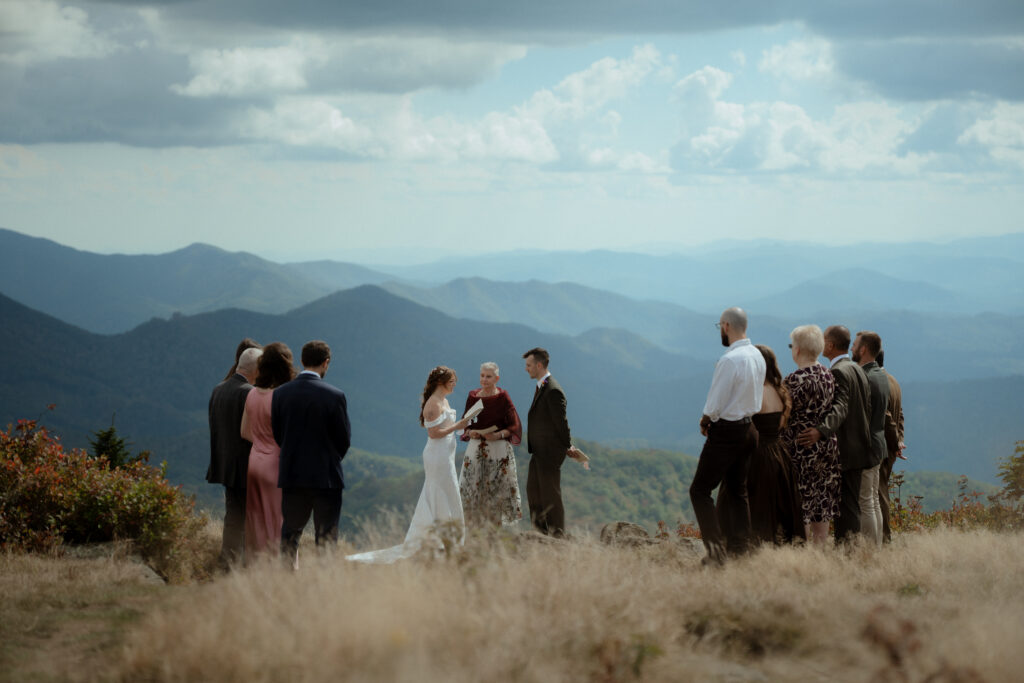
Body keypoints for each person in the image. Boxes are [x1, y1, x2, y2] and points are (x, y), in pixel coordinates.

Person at [348, 366, 473, 563]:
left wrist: (461, 428)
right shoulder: (432, 404)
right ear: (441, 382)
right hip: (437, 457)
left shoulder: (444, 400)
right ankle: (440, 539)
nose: (454, 384)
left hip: (446, 455)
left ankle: (446, 539)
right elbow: (433, 434)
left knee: (448, 491)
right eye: (451, 381)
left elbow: (445, 428)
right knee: (440, 491)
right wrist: (459, 425)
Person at [690, 308, 766, 565]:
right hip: (750, 429)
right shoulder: (757, 355)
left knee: (700, 491)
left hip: (727, 430)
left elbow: (715, 402)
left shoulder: (730, 360)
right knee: (738, 490)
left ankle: (716, 553)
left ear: (725, 326)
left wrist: (705, 420)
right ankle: (742, 550)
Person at [272, 340, 351, 568]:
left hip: (292, 473)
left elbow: (279, 435)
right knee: (326, 537)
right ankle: (323, 587)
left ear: (302, 360)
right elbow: (343, 439)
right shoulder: (335, 395)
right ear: (326, 363)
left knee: (290, 533)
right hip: (326, 476)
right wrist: (329, 459)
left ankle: (286, 581)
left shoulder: (281, 394)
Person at [796, 325, 872, 544]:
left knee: (845, 509)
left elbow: (841, 407)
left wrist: (821, 431)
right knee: (852, 505)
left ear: (829, 345)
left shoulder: (838, 371)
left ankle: (846, 553)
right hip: (861, 446)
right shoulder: (857, 368)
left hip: (846, 448)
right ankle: (852, 551)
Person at [781, 325, 841, 545]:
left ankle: (801, 554)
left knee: (801, 504)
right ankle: (820, 551)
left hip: (799, 449)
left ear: (797, 350)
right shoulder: (828, 374)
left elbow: (782, 416)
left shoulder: (793, 380)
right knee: (822, 503)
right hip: (826, 447)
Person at [742, 344, 804, 546]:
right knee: (781, 505)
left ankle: (755, 546)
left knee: (757, 504)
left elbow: (745, 427)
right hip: (781, 453)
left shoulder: (755, 392)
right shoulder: (780, 391)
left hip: (758, 454)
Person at [208, 343, 262, 568]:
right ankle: (249, 566)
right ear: (256, 370)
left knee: (233, 517)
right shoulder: (249, 393)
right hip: (247, 465)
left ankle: (227, 563)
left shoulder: (218, 388)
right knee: (252, 520)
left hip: (224, 463)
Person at [240, 342, 296, 557]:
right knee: (280, 520)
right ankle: (282, 571)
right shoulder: (281, 396)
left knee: (256, 520)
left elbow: (244, 432)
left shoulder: (252, 394)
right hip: (275, 464)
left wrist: (262, 443)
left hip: (254, 462)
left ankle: (257, 567)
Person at [459, 362, 523, 529]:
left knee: (497, 490)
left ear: (497, 378)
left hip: (498, 450)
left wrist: (497, 434)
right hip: (476, 448)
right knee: (473, 488)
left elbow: (514, 425)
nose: (484, 379)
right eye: (482, 376)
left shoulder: (503, 397)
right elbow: (465, 422)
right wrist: (469, 432)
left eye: (488, 376)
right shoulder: (473, 396)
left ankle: (494, 530)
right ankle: (474, 530)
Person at [524, 348, 574, 537]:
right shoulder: (542, 386)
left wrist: (568, 445)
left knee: (550, 496)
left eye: (528, 365)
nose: (526, 369)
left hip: (549, 453)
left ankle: (557, 537)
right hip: (538, 452)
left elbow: (561, 423)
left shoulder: (553, 390)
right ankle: (539, 535)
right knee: (534, 493)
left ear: (539, 365)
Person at [852, 331, 889, 547]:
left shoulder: (865, 377)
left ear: (863, 349)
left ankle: (868, 549)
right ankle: (876, 547)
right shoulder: (880, 375)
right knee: (873, 501)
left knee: (865, 502)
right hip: (878, 444)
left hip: (866, 448)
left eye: (855, 345)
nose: (852, 348)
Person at [877, 349, 906, 543]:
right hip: (891, 448)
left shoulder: (880, 383)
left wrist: (895, 442)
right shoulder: (893, 381)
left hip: (882, 447)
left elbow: (887, 417)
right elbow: (900, 414)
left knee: (879, 496)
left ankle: (884, 538)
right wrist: (899, 441)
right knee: (882, 492)